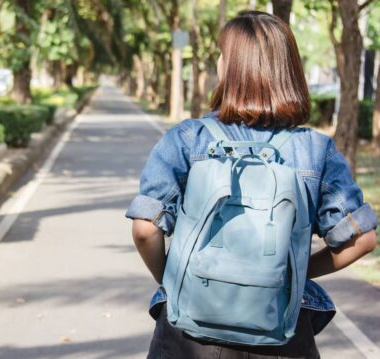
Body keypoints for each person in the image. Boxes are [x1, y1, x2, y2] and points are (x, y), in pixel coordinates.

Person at [126, 10, 378, 359]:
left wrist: (174, 277)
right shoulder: (315, 150)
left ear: (229, 67)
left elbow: (144, 230)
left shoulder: (187, 139)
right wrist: (294, 273)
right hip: (281, 335)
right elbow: (362, 239)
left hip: (188, 333)